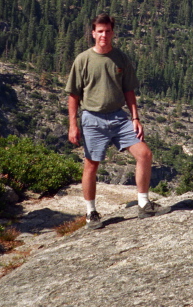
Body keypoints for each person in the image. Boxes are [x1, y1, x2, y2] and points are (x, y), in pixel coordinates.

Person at [66, 13, 170, 229]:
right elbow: (73, 95)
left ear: (112, 33)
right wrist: (73, 125)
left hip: (119, 117)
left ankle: (143, 204)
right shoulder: (83, 60)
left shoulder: (121, 58)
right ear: (93, 33)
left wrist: (135, 118)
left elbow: (128, 90)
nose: (104, 35)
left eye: (108, 31)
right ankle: (91, 213)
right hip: (92, 119)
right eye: (100, 31)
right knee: (91, 166)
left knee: (144, 154)